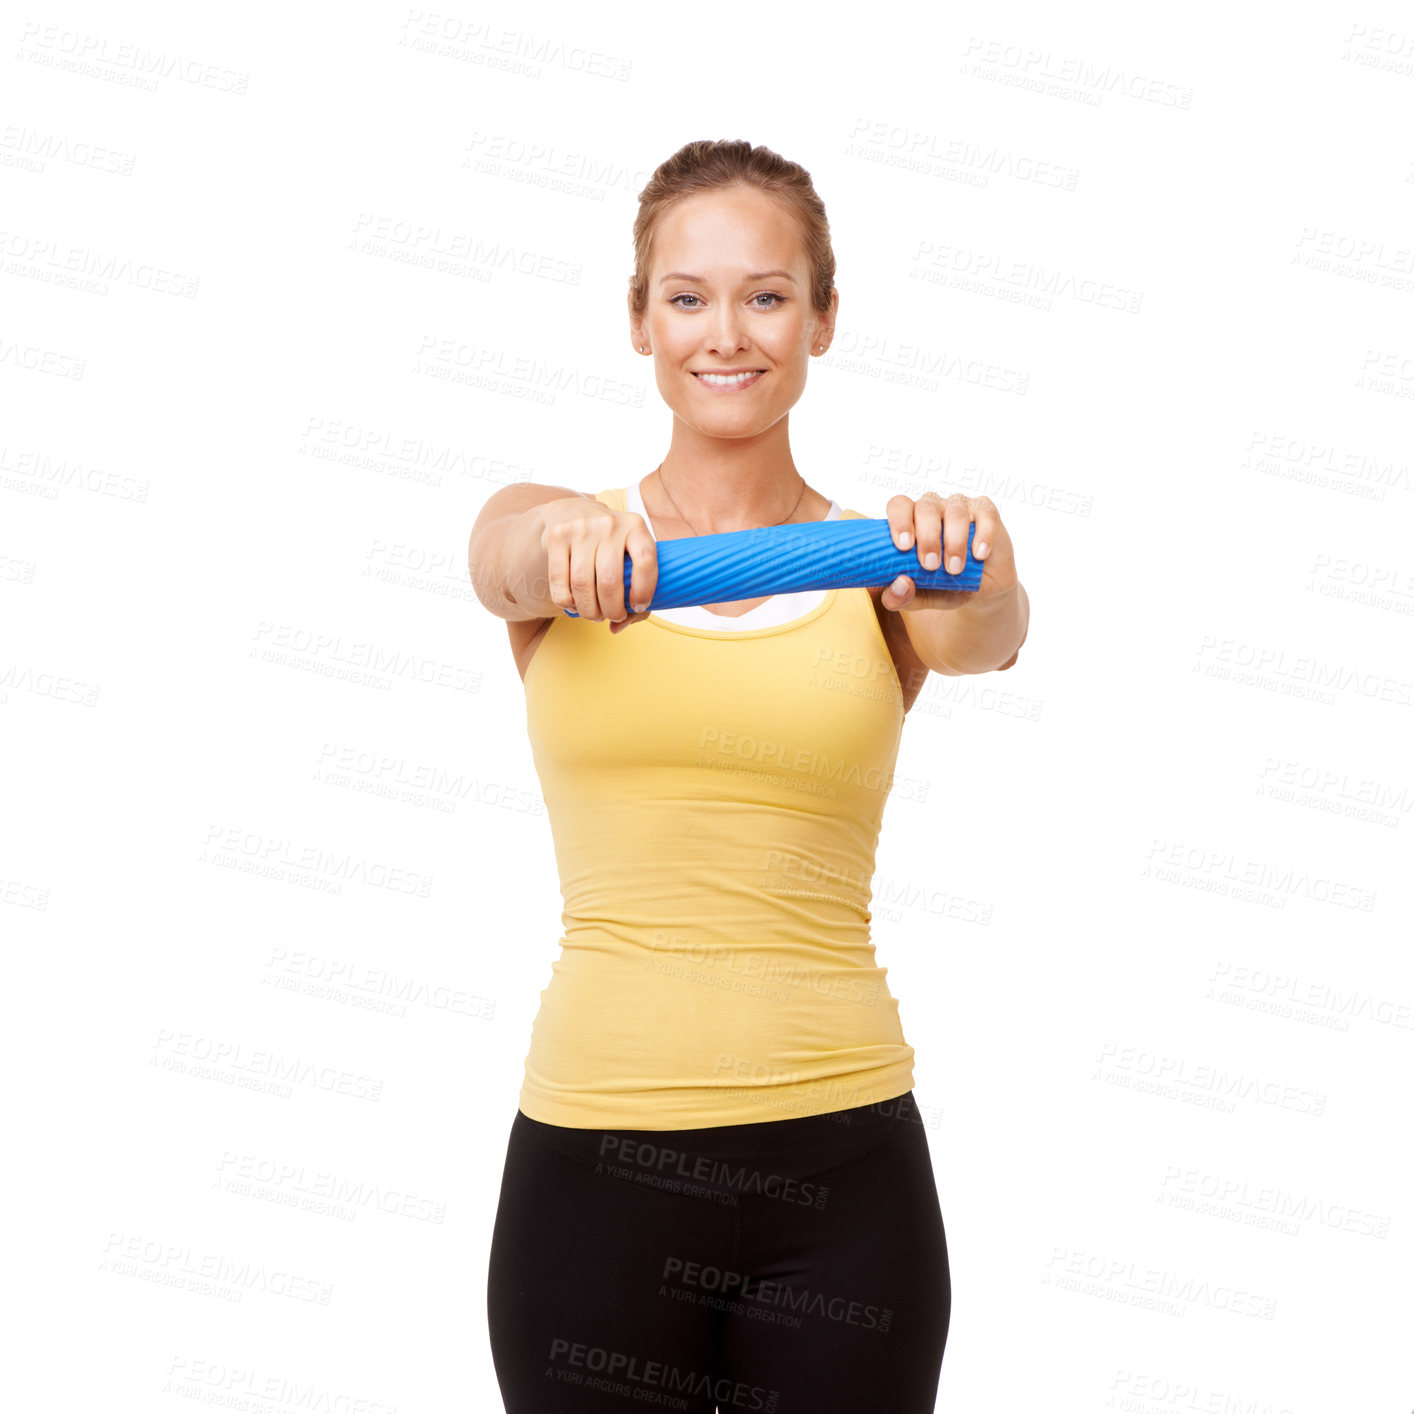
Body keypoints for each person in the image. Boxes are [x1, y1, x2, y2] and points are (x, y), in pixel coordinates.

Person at [471, 138, 1029, 1414]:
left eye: (768, 294)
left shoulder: (881, 565)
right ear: (638, 320)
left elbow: (982, 636)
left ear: (823, 318)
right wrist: (560, 540)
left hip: (843, 1176)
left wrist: (978, 568)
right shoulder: (556, 527)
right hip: (592, 1164)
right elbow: (497, 560)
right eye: (688, 295)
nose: (727, 333)